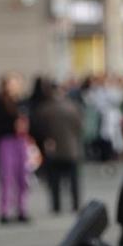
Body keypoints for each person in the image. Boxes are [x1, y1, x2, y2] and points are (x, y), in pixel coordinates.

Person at [0, 74, 33, 224]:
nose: (15, 86)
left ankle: (22, 209)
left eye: (17, 83)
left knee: (23, 177)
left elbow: (32, 122)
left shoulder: (23, 102)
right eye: (13, 83)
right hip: (5, 141)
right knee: (6, 177)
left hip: (21, 141)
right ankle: (4, 211)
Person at [33, 78, 84, 213]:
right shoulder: (72, 107)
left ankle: (56, 206)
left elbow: (40, 129)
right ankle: (75, 204)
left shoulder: (45, 108)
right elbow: (79, 127)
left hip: (53, 148)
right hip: (71, 148)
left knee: (55, 180)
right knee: (73, 180)